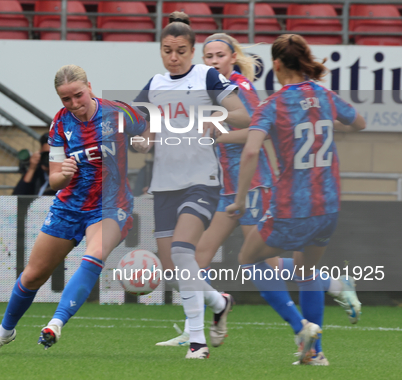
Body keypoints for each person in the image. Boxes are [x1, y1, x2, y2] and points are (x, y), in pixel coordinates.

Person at [156, 33, 361, 347]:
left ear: (233, 57)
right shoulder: (209, 90)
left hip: (254, 184)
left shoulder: (242, 88)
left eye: (219, 56)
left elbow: (257, 134)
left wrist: (217, 136)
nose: (213, 62)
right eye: (208, 57)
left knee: (266, 265)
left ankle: (312, 316)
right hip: (226, 186)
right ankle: (197, 323)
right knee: (198, 258)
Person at [0, 64, 148, 354]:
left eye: (78, 95)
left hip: (110, 205)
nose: (74, 104)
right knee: (32, 276)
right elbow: (54, 179)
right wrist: (63, 174)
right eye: (66, 99)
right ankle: (3, 333)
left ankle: (56, 323)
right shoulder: (59, 125)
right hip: (69, 206)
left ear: (90, 87)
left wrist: (143, 142)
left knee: (94, 254)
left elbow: (145, 128)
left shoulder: (116, 112)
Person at [225, 34, 366, 365]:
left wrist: (241, 200)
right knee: (306, 271)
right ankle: (315, 353)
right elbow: (358, 123)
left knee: (249, 259)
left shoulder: (272, 105)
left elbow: (250, 152)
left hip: (293, 205)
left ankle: (300, 326)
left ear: (276, 64)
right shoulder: (323, 94)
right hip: (328, 203)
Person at [133, 12, 251, 359]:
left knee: (184, 252)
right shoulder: (154, 85)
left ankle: (197, 342)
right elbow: (147, 129)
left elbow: (243, 115)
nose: (174, 57)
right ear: (160, 50)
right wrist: (142, 142)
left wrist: (218, 120)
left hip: (202, 180)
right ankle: (219, 301)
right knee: (173, 269)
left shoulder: (207, 76)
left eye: (181, 50)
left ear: (191, 49)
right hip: (165, 184)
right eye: (168, 50)